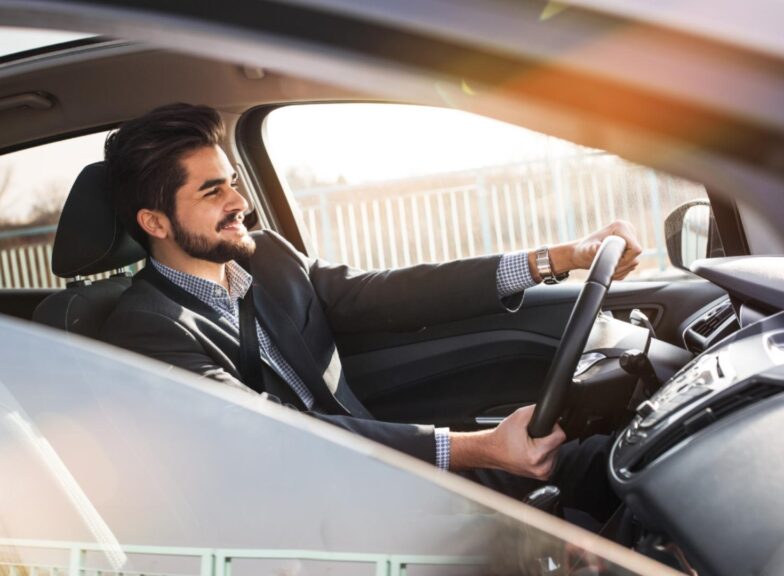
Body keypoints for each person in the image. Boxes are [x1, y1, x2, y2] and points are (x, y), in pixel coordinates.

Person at [99, 103, 642, 522]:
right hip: (321, 522)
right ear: (155, 223)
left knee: (619, 466)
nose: (239, 202)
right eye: (212, 192)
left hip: (389, 478)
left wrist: (559, 258)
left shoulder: (268, 258)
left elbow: (390, 293)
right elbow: (277, 434)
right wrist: (480, 449)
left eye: (234, 184)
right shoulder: (147, 329)